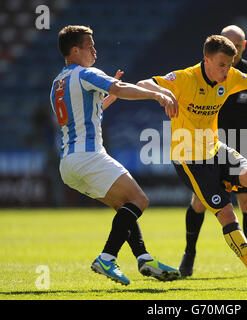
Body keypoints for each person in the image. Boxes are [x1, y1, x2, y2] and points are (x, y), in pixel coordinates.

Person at [137, 35, 247, 290]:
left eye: (230, 65)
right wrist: (161, 96)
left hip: (216, 148)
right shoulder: (184, 78)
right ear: (207, 59)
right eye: (222, 65)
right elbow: (144, 82)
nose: (227, 71)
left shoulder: (231, 77)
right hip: (190, 160)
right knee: (226, 213)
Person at [49, 25, 180, 286]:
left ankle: (144, 258)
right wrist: (157, 95)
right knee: (139, 200)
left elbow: (88, 113)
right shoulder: (86, 73)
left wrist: (110, 95)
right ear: (75, 51)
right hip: (88, 156)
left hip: (68, 164)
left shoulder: (57, 83)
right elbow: (119, 88)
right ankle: (107, 257)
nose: (95, 50)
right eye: (90, 46)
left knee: (124, 207)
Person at [178, 25, 247, 277]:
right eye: (226, 42)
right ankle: (189, 255)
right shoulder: (206, 71)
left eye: (236, 44)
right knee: (200, 202)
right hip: (209, 144)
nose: (231, 50)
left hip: (243, 141)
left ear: (243, 46)